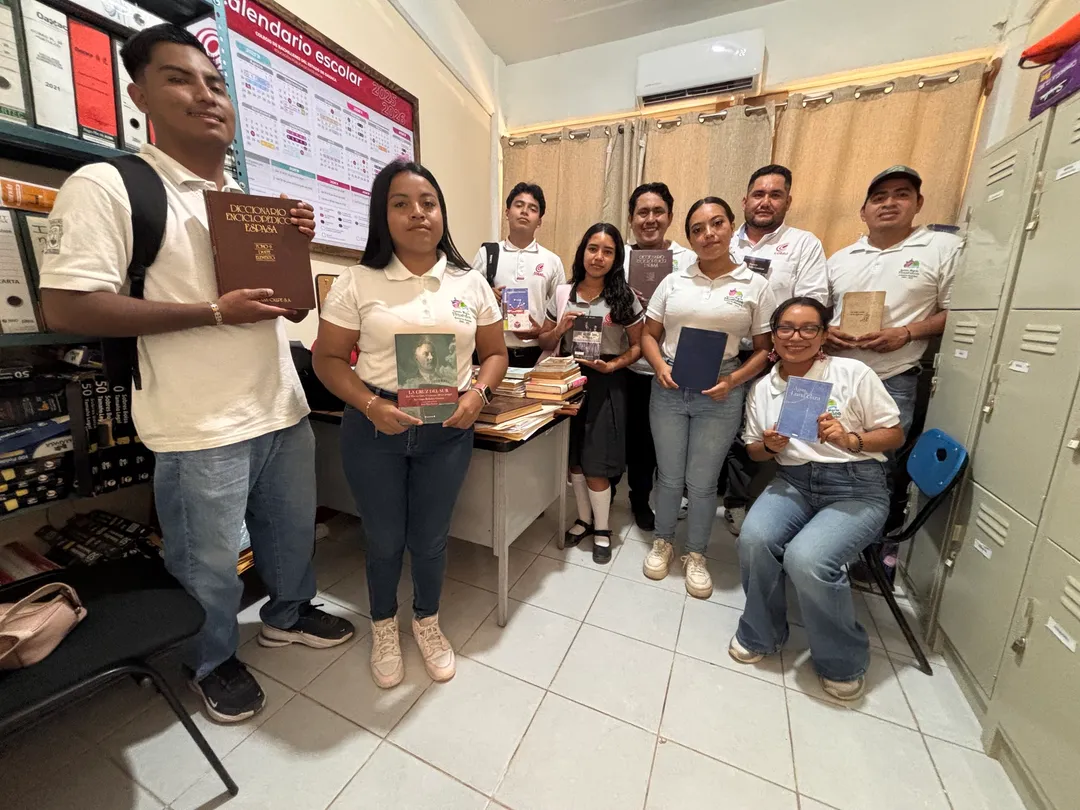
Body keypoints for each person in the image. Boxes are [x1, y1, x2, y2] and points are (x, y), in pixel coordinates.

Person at [37, 24, 354, 723]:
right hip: (198, 422)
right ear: (139, 95)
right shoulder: (112, 185)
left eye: (215, 83)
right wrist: (212, 312)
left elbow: (288, 308)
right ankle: (210, 659)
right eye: (179, 79)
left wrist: (293, 258)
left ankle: (288, 614)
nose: (205, 96)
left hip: (280, 405)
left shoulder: (243, 199)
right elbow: (64, 305)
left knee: (289, 534)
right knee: (207, 562)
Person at [313, 160, 507, 689]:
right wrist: (369, 405)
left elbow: (495, 354)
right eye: (400, 204)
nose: (417, 213)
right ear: (383, 216)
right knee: (382, 538)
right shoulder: (357, 281)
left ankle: (426, 620)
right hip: (375, 427)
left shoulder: (470, 283)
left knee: (430, 537)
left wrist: (479, 394)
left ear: (442, 213)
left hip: (448, 429)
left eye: (428, 203)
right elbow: (326, 359)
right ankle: (383, 625)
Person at [732, 297, 903, 700]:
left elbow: (894, 434)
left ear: (824, 335)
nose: (796, 337)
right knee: (754, 539)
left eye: (809, 328)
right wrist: (770, 446)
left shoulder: (851, 373)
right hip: (794, 482)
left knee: (807, 558)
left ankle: (842, 659)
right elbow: (754, 451)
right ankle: (761, 633)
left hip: (856, 486)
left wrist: (851, 439)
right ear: (774, 336)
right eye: (786, 328)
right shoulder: (764, 388)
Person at [826, 165, 961, 571]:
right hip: (836, 374)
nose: (889, 203)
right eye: (879, 197)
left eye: (901, 194)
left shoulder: (941, 248)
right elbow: (819, 313)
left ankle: (864, 553)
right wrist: (826, 333)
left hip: (892, 378)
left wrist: (906, 332)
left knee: (878, 465)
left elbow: (960, 311)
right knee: (827, 453)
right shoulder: (842, 258)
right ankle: (825, 540)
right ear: (863, 211)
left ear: (918, 203)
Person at [640, 197, 776, 598]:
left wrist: (732, 381)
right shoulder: (673, 282)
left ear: (732, 227)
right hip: (669, 384)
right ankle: (663, 540)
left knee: (701, 482)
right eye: (697, 229)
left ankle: (696, 554)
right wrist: (659, 366)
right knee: (668, 475)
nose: (708, 234)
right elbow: (649, 334)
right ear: (689, 237)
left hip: (720, 390)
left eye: (717, 224)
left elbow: (765, 350)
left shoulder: (755, 285)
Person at [720, 165, 830, 536]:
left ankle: (765, 504)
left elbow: (813, 302)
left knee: (779, 430)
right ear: (745, 200)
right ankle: (723, 497)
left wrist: (789, 343)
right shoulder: (725, 240)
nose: (765, 202)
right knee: (727, 428)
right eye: (758, 194)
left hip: (782, 354)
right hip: (728, 353)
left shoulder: (803, 244)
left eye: (775, 195)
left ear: (788, 201)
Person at [538, 223, 644, 563]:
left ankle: (602, 528)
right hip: (569, 381)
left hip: (607, 382)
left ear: (616, 258)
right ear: (582, 251)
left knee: (596, 463)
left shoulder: (624, 297)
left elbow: (639, 346)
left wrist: (613, 366)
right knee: (573, 461)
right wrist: (560, 328)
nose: (598, 257)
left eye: (607, 251)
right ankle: (583, 519)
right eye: (592, 249)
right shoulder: (564, 293)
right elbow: (545, 340)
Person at [614, 183, 697, 531]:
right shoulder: (618, 256)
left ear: (670, 216)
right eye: (642, 212)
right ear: (631, 219)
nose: (650, 219)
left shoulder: (688, 259)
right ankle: (630, 496)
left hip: (674, 367)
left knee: (667, 442)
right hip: (627, 364)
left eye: (657, 211)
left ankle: (659, 497)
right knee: (633, 438)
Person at [470, 182, 565, 368]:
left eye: (532, 208)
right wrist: (488, 294)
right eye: (519, 205)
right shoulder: (487, 254)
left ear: (539, 221)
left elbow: (560, 312)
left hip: (535, 354)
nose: (524, 211)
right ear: (507, 212)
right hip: (491, 352)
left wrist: (541, 331)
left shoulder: (552, 261)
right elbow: (467, 299)